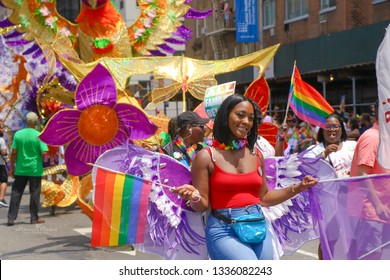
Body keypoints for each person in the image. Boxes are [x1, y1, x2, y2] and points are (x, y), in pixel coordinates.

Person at [172, 94, 318, 260]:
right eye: (240, 115)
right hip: (224, 230)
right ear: (225, 116)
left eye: (251, 118)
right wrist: (194, 197)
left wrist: (299, 187)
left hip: (257, 225)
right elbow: (202, 205)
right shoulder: (206, 157)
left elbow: (264, 197)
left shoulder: (256, 155)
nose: (247, 122)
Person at [349, 100, 390, 259]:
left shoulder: (385, 138)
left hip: (383, 212)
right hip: (371, 213)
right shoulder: (372, 137)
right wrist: (378, 204)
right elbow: (363, 174)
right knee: (371, 259)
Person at [7, 112, 49, 226]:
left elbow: (14, 152)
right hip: (35, 170)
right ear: (36, 122)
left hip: (21, 169)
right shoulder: (39, 135)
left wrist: (11, 168)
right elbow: (44, 152)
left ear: (26, 121)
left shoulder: (18, 134)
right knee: (35, 193)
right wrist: (46, 153)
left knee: (16, 192)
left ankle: (11, 218)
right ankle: (33, 218)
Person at [304, 113, 356, 178]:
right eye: (327, 127)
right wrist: (325, 153)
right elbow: (307, 168)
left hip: (351, 186)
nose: (332, 129)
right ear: (322, 130)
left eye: (336, 127)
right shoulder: (313, 150)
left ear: (342, 129)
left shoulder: (353, 146)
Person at [0, 124, 9, 207]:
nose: (3, 129)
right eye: (2, 128)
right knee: (4, 181)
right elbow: (3, 152)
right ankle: (1, 199)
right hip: (0, 164)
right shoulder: (1, 140)